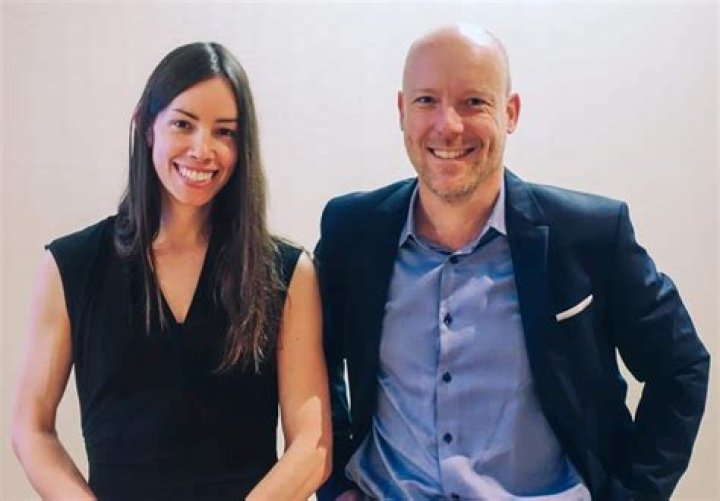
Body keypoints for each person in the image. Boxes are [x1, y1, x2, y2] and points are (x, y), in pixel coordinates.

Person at [315, 25, 709, 501]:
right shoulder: (352, 231)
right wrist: (336, 482)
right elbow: (314, 363)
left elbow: (681, 367)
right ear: (402, 111)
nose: (448, 125)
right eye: (426, 101)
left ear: (511, 112)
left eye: (473, 102)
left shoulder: (590, 236)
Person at [11, 42, 331, 500]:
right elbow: (31, 427)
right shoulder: (71, 265)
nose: (203, 149)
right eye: (183, 124)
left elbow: (313, 447)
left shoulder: (286, 272)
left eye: (225, 132)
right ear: (146, 127)